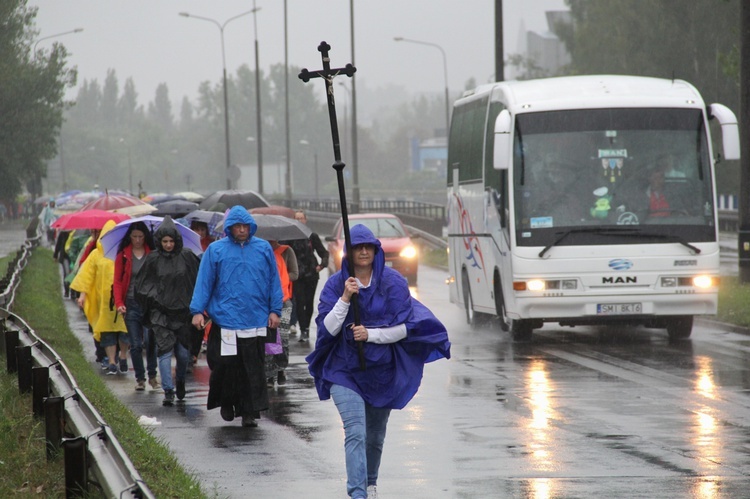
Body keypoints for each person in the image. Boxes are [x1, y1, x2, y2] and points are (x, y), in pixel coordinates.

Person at [306, 224, 451, 499]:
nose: (363, 252)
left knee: (375, 437)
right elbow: (329, 328)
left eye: (368, 247)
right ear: (348, 252)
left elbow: (406, 328)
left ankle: (370, 483)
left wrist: (370, 334)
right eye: (357, 247)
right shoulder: (336, 283)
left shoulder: (393, 282)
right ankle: (357, 493)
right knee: (356, 432)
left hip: (381, 371)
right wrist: (346, 299)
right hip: (343, 370)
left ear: (375, 251)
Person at [190, 206, 283, 427]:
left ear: (250, 226)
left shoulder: (263, 249)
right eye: (237, 226)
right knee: (225, 366)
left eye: (245, 226)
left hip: (255, 320)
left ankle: (249, 411)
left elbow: (273, 281)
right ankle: (226, 403)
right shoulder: (216, 250)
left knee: (252, 368)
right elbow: (204, 282)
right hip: (226, 321)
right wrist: (197, 311)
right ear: (230, 228)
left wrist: (275, 310)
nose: (241, 230)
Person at [135, 216, 200, 406]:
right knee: (164, 350)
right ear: (159, 241)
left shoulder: (187, 256)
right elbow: (142, 285)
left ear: (177, 240)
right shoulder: (153, 259)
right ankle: (168, 390)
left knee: (182, 354)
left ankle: (179, 380)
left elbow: (197, 281)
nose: (169, 245)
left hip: (183, 312)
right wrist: (156, 298)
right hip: (160, 313)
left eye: (171, 241)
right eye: (165, 241)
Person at [70, 220, 130, 375]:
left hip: (122, 299)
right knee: (107, 332)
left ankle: (123, 356)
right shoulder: (96, 255)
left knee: (125, 331)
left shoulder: (123, 252)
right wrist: (82, 295)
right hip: (103, 302)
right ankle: (111, 361)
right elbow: (86, 276)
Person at [113, 222, 159, 391]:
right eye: (134, 237)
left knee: (150, 341)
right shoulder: (123, 256)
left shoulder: (152, 254)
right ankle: (140, 378)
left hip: (149, 304)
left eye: (141, 237)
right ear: (129, 237)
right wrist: (119, 303)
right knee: (135, 343)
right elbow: (117, 282)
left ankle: (152, 376)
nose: (138, 240)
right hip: (131, 303)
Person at [287, 209, 329, 342]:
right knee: (299, 302)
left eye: (301, 218)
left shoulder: (312, 236)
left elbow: (324, 253)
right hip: (297, 274)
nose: (299, 220)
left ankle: (306, 328)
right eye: (297, 218)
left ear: (305, 220)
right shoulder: (289, 237)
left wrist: (321, 265)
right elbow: (283, 253)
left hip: (311, 274)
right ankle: (303, 329)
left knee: (309, 302)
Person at [265, 239, 298, 386]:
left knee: (282, 338)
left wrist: (279, 277)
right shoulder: (261, 251)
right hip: (265, 302)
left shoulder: (286, 251)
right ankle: (271, 373)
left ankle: (281, 368)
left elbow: (295, 274)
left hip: (284, 301)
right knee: (271, 338)